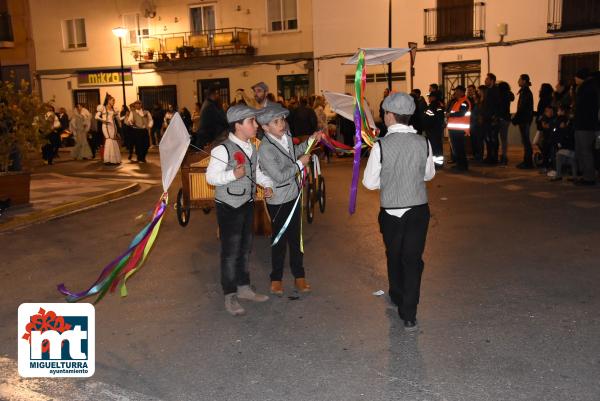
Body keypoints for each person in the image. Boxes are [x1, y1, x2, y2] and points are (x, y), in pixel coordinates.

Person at [362, 92, 435, 331]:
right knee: (412, 260)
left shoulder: (380, 146)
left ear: (391, 116)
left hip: (391, 212)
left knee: (394, 254)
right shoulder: (423, 142)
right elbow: (428, 175)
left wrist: (390, 179)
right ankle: (409, 313)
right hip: (418, 210)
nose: (383, 117)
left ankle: (396, 294)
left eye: (384, 113)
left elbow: (369, 183)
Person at [205, 104, 274, 316]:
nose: (255, 125)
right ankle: (230, 294)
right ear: (238, 125)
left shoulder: (252, 147)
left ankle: (244, 288)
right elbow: (210, 177)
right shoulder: (221, 149)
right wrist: (231, 176)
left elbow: (256, 172)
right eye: (251, 121)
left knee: (246, 248)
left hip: (247, 203)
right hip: (229, 206)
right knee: (230, 252)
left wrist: (267, 184)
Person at [257, 103, 323, 296]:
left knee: (296, 239)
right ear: (265, 127)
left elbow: (296, 152)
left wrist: (311, 140)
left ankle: (299, 275)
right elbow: (279, 176)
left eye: (282, 120)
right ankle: (276, 278)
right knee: (279, 240)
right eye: (276, 121)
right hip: (278, 200)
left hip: (294, 195)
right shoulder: (265, 149)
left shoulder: (285, 137)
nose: (282, 124)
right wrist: (299, 164)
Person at [573, 68, 599, 186]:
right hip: (585, 124)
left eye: (576, 77)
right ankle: (586, 176)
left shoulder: (587, 88)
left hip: (585, 125)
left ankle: (589, 178)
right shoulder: (589, 87)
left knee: (585, 151)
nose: (574, 79)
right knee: (583, 151)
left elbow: (583, 107)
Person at [512, 74, 535, 169]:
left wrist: (515, 118)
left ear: (524, 81)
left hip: (525, 120)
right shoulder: (524, 92)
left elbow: (522, 108)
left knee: (526, 141)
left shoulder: (526, 92)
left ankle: (528, 162)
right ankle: (526, 161)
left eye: (519, 79)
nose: (518, 81)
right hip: (524, 119)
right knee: (525, 141)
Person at [447, 85, 471, 171]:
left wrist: (450, 114)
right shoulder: (457, 101)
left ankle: (462, 166)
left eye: (456, 91)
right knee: (457, 149)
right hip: (455, 130)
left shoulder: (464, 102)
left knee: (460, 149)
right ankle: (459, 164)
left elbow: (461, 113)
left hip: (459, 130)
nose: (455, 93)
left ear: (461, 92)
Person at [549, 105, 577, 181]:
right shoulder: (567, 120)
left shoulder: (566, 120)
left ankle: (559, 175)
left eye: (559, 110)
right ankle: (572, 176)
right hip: (568, 144)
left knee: (560, 155)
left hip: (568, 144)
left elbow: (564, 131)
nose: (557, 112)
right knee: (563, 157)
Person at [95, 93, 121, 165]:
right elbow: (96, 117)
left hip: (113, 126)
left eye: (114, 101)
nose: (113, 102)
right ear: (108, 101)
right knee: (109, 139)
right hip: (106, 126)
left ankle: (115, 159)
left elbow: (118, 119)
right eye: (112, 101)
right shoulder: (102, 108)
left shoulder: (114, 109)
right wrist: (104, 120)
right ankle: (108, 159)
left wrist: (125, 117)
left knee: (113, 140)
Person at [423, 90, 445, 168]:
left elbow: (433, 119)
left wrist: (427, 126)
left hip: (433, 130)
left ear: (433, 97)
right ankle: (437, 164)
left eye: (430, 97)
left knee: (435, 148)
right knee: (436, 147)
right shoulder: (436, 105)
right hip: (434, 130)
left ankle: (437, 164)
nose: (429, 98)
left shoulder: (435, 106)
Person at [482, 73, 501, 164]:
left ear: (492, 80)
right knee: (488, 138)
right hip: (487, 118)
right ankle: (489, 156)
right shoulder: (487, 91)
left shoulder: (495, 91)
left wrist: (495, 116)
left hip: (493, 119)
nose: (485, 80)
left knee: (493, 138)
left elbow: (497, 105)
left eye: (487, 79)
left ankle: (494, 157)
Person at [497, 81, 515, 165]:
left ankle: (503, 156)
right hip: (507, 118)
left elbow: (500, 108)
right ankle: (504, 155)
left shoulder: (500, 95)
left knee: (502, 139)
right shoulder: (508, 95)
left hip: (501, 118)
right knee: (504, 139)